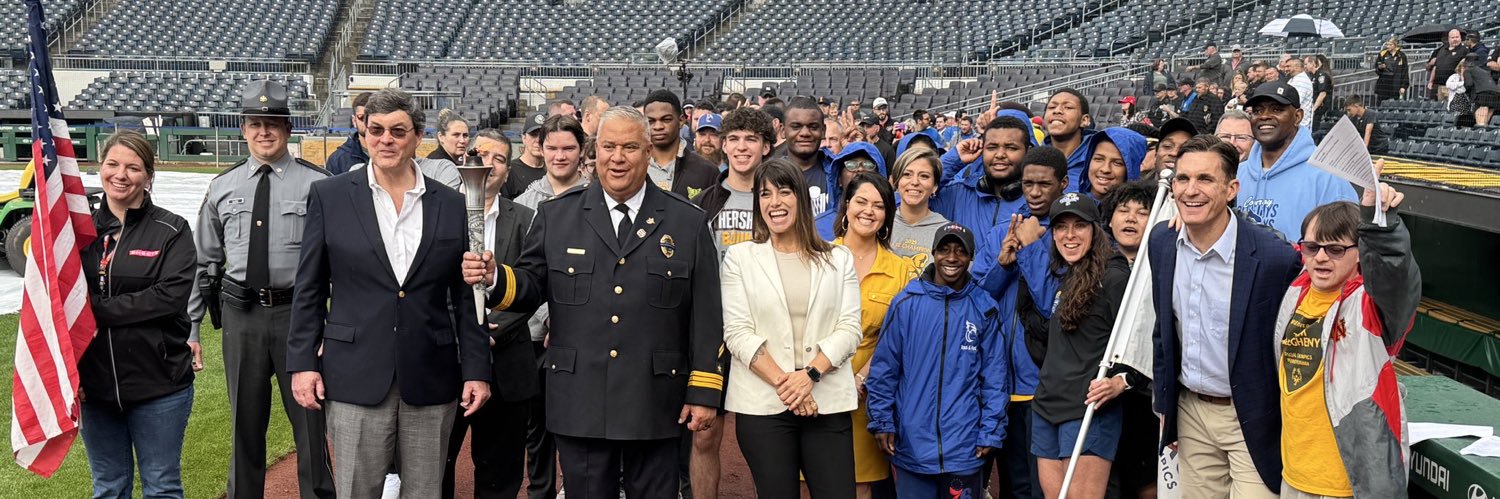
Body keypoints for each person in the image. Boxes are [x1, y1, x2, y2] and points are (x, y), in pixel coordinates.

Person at [462, 106, 724, 499]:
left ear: (649, 152)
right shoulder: (557, 216)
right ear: (594, 151)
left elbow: (706, 314)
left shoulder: (686, 222)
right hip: (579, 398)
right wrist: (496, 275)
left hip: (655, 399)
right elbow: (532, 285)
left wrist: (703, 392)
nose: (618, 158)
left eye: (630, 147)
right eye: (609, 147)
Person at [288, 88, 493, 498]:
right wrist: (303, 362)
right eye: (376, 130)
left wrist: (476, 369)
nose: (386, 140)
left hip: (431, 373)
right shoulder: (330, 196)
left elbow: (467, 296)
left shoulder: (452, 205)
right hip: (354, 374)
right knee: (356, 491)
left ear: (418, 137)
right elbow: (309, 287)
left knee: (425, 492)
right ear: (363, 134)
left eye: (398, 131)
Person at [187, 80, 335, 499]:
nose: (264, 131)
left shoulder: (318, 185)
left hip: (299, 318)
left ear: (288, 128)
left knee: (310, 422)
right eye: (255, 123)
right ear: (243, 128)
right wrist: (193, 327)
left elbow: (340, 262)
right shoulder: (223, 186)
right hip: (241, 317)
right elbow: (205, 262)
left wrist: (331, 324)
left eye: (272, 123)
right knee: (243, 426)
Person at [1149, 136, 1303, 499]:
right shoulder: (1161, 242)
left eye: (1205, 179)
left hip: (1252, 417)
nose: (1190, 190)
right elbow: (1163, 331)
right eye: (1182, 179)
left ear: (1231, 189)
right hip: (1191, 414)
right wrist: (1164, 404)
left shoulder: (1275, 257)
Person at [719, 158, 862, 499]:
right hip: (763, 406)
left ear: (801, 197)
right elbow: (737, 333)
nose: (774, 203)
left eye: (784, 192)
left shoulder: (838, 258)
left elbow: (849, 329)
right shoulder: (740, 258)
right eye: (765, 195)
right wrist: (791, 387)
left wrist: (809, 376)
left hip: (825, 402)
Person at [1275, 181, 1418, 498]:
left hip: (1349, 484)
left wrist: (1380, 225)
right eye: (1312, 247)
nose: (1321, 258)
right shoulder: (1297, 290)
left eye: (1336, 249)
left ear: (1359, 254)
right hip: (1294, 475)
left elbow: (1395, 272)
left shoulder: (1372, 304)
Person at [79, 132, 197, 499]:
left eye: (133, 167)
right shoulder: (79, 231)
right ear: (100, 167)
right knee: (109, 488)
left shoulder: (171, 229)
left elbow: (167, 299)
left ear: (148, 175)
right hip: (94, 389)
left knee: (161, 488)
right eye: (112, 164)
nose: (120, 175)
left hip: (158, 386)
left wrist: (93, 312)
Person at [866, 222, 1008, 499]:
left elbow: (995, 376)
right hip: (912, 445)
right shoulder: (906, 303)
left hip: (964, 448)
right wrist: (882, 421)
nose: (952, 258)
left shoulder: (985, 307)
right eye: (944, 249)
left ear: (971, 257)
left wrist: (991, 430)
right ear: (933, 252)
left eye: (960, 251)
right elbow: (885, 369)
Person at [1004, 192, 1130, 499]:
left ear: (1095, 230)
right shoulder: (1068, 275)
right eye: (1061, 227)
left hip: (1087, 409)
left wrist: (1123, 381)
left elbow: (1143, 341)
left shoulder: (1115, 277)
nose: (1069, 235)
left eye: (1079, 226)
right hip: (1047, 405)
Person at [441, 127, 539, 499]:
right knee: (436, 463)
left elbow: (533, 283)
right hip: (448, 359)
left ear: (508, 169)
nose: (489, 163)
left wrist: (492, 332)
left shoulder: (528, 218)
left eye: (499, 158)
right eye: (482, 154)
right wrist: (465, 334)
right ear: (464, 159)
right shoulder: (438, 210)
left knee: (500, 470)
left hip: (508, 360)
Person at [685, 107, 774, 499]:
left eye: (750, 139)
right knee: (705, 435)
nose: (741, 147)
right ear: (722, 144)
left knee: (769, 440)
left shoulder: (779, 201)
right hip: (714, 332)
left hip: (766, 331)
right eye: (734, 138)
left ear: (766, 147)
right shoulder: (703, 202)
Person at [832, 173, 916, 499]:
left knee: (860, 484)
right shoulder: (821, 256)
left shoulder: (900, 269)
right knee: (806, 480)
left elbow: (898, 337)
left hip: (866, 392)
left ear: (887, 216)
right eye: (861, 201)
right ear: (847, 205)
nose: (868, 211)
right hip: (817, 383)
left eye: (879, 206)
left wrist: (862, 378)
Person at [1238, 81, 1357, 239]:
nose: (1264, 116)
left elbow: (1345, 246)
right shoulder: (1239, 172)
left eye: (1276, 109)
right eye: (1257, 111)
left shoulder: (1328, 176)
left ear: (1298, 116)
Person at [932, 116, 1032, 261]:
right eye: (992, 147)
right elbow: (907, 203)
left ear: (1027, 152)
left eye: (1011, 148)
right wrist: (954, 159)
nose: (1000, 155)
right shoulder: (958, 194)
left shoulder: (1037, 202)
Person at [642, 89, 719, 200]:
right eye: (651, 121)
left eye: (666, 119)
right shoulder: (633, 166)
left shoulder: (707, 171)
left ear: (681, 120)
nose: (658, 126)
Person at [888, 148, 950, 270]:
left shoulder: (946, 232)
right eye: (907, 174)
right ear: (897, 181)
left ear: (934, 186)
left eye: (924, 176)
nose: (915, 182)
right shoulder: (880, 224)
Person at [514, 115, 590, 209]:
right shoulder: (523, 204)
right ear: (542, 150)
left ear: (581, 150)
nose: (560, 157)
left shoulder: (600, 199)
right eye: (552, 149)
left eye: (568, 148)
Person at [777, 97, 836, 215]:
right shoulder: (768, 174)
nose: (805, 133)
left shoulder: (838, 172)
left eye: (813, 127)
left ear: (823, 131)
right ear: (783, 131)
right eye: (796, 127)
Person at [1043, 89, 1096, 187]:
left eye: (1068, 107)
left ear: (1084, 120)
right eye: (1051, 107)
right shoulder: (1031, 160)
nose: (1057, 111)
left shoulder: (1097, 160)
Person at [1076, 127, 1146, 201]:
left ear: (1132, 169)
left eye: (1117, 163)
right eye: (1099, 159)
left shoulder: (1142, 209)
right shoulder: (1069, 202)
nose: (1105, 169)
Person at [503, 111, 549, 199]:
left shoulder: (553, 169)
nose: (538, 140)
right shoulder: (511, 170)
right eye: (533, 135)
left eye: (543, 135)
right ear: (524, 138)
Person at [326, 91, 371, 174]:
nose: (367, 122)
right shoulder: (338, 159)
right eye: (362, 117)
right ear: (354, 121)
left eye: (371, 117)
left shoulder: (392, 154)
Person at [1428, 29, 1469, 101]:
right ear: (1449, 38)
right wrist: (1431, 81)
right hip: (1439, 85)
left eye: (1457, 37)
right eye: (1453, 38)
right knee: (1440, 107)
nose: (1455, 39)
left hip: (1453, 87)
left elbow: (1464, 68)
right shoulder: (1442, 50)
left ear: (1460, 38)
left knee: (1451, 108)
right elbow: (1435, 67)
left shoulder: (1464, 50)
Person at [1467, 54, 1499, 127]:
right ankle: (1483, 132)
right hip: (1496, 93)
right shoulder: (1485, 69)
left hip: (1484, 93)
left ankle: (1480, 130)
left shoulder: (1469, 69)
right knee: (1486, 118)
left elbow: (1468, 84)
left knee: (1482, 110)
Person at [1282, 58, 1315, 128]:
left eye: (1288, 66)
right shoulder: (1294, 79)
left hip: (1300, 125)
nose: (1285, 69)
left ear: (1297, 67)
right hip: (1295, 123)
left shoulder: (1301, 81)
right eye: (1285, 67)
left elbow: (1295, 102)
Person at [1375, 38, 1410, 103]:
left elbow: (1405, 72)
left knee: (1395, 103)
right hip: (1384, 83)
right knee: (1381, 103)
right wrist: (1380, 68)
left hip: (1396, 83)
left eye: (1390, 45)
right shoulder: (1382, 54)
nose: (1388, 46)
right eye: (1387, 45)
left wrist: (1403, 86)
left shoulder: (1401, 55)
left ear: (1395, 45)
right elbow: (1377, 69)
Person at [1304, 56, 1334, 127]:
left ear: (1313, 63)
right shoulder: (1313, 76)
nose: (1305, 66)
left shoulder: (1321, 75)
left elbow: (1322, 93)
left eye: (1306, 64)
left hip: (1319, 109)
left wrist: (1314, 109)